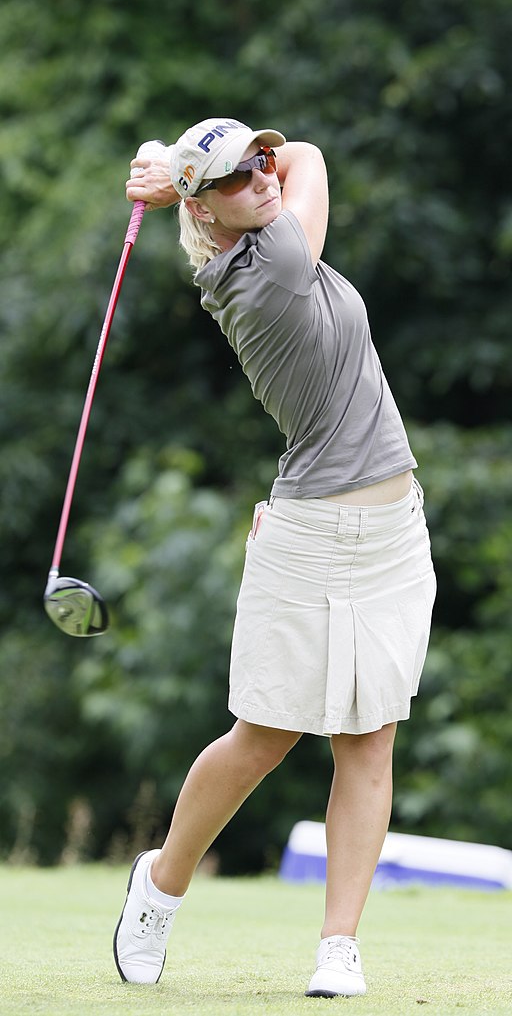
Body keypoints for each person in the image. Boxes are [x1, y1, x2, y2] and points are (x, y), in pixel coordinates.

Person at [113, 117, 437, 998]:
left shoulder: (256, 231)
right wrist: (173, 170)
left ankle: (339, 946)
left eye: (258, 162)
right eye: (233, 177)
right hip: (307, 539)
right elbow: (316, 157)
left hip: (394, 532)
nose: (261, 175)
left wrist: (180, 166)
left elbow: (288, 157)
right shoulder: (273, 270)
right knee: (264, 737)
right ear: (206, 215)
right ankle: (162, 883)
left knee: (370, 740)